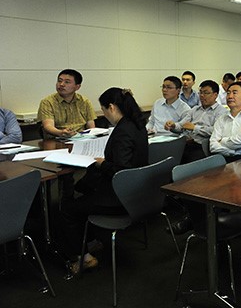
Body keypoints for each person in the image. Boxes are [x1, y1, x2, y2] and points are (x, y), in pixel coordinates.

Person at [62, 87, 149, 273]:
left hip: (120, 197)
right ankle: (92, 240)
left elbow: (121, 171)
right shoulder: (137, 125)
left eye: (103, 110)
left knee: (68, 208)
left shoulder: (122, 131)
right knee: (85, 191)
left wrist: (102, 163)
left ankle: (83, 258)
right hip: (137, 193)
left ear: (112, 107)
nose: (104, 115)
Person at [165, 80, 227, 163]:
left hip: (202, 146)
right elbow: (182, 125)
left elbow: (215, 131)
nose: (202, 95)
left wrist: (195, 128)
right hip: (185, 143)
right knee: (166, 156)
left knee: (185, 161)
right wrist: (173, 126)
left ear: (215, 95)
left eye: (206, 93)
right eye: (200, 92)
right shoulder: (195, 109)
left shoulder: (221, 112)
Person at [38, 69, 96, 138]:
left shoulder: (84, 101)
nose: (61, 84)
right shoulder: (47, 102)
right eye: (59, 81)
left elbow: (91, 125)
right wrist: (61, 133)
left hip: (82, 138)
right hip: (57, 139)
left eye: (67, 82)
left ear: (77, 87)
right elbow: (48, 126)